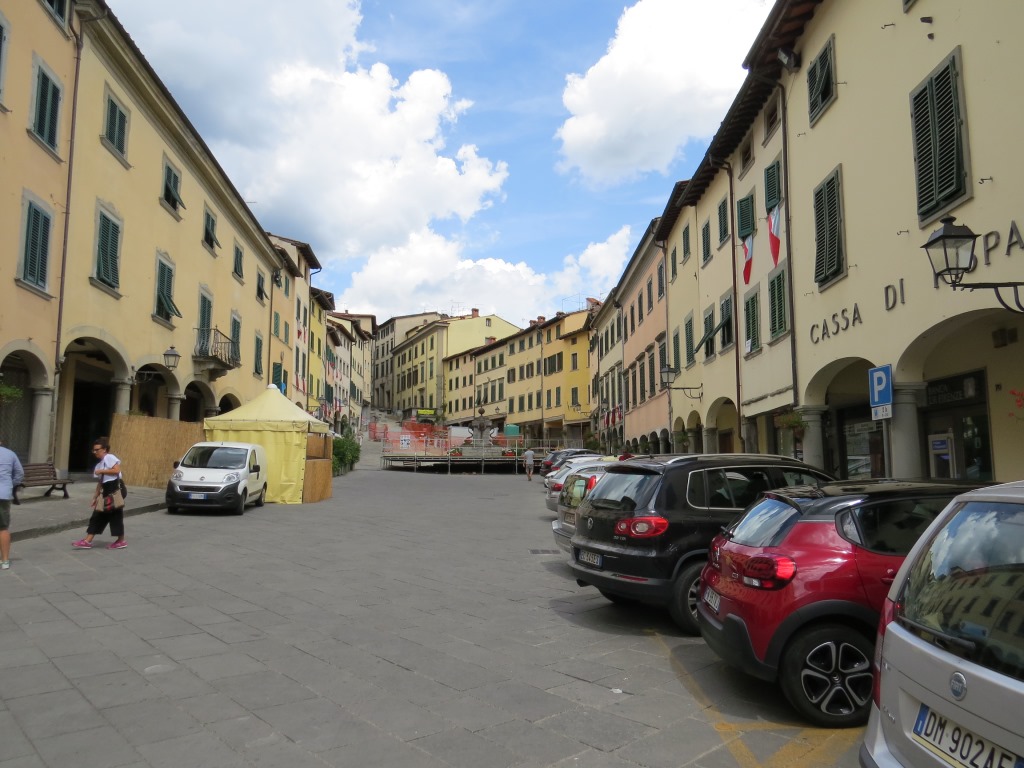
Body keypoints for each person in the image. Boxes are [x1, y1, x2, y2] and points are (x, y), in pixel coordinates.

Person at [73, 437, 126, 550]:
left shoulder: (109, 457)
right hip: (106, 489)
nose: (95, 452)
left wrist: (102, 471)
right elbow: (100, 482)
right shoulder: (99, 464)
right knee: (99, 513)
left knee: (114, 514)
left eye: (97, 450)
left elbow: (117, 470)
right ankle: (88, 540)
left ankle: (120, 541)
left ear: (104, 449)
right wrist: (95, 496)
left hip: (115, 488)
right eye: (94, 450)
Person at [0, 439, 25, 570]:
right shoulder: (10, 454)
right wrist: (10, 484)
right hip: (3, 494)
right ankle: (4, 560)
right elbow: (19, 473)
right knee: (3, 528)